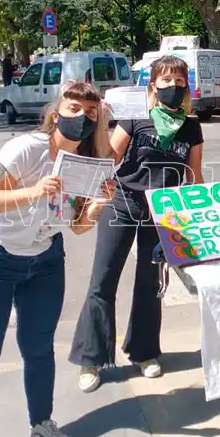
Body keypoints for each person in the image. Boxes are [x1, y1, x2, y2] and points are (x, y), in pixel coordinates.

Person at [0, 81, 114, 437]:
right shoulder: (27, 147)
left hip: (44, 261)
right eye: (72, 108)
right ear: (56, 111)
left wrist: (97, 207)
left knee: (39, 349)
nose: (81, 117)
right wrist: (35, 191)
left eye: (90, 113)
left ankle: (41, 424)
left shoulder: (89, 162)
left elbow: (74, 226)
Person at [69, 55, 204, 392]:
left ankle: (144, 352)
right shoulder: (135, 119)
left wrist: (199, 213)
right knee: (103, 280)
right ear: (153, 85)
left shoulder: (191, 126)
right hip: (123, 205)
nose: (173, 86)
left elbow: (195, 176)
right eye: (166, 80)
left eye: (179, 81)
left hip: (163, 215)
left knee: (149, 285)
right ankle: (91, 359)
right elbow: (109, 159)